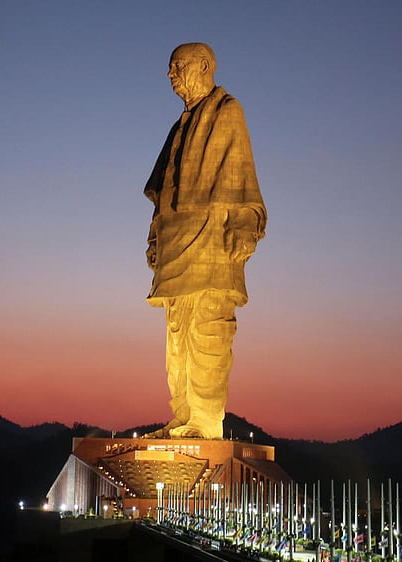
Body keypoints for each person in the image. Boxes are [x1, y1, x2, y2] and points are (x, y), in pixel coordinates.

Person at [143, 43, 267, 439]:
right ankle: (183, 415)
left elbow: (240, 175)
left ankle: (205, 419)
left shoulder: (227, 111)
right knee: (177, 333)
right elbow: (164, 189)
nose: (171, 74)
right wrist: (155, 234)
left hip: (212, 237)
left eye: (177, 66)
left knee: (209, 329)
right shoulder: (178, 127)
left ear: (204, 65)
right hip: (176, 240)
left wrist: (243, 223)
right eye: (170, 68)